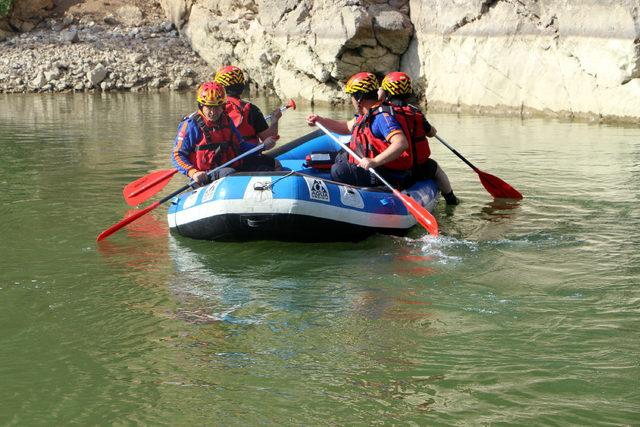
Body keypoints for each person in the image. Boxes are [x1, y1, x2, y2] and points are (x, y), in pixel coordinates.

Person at [306, 72, 413, 187]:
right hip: (375, 167)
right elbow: (347, 127)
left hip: (384, 173)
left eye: (352, 96)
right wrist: (320, 120)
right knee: (341, 155)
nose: (351, 100)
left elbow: (401, 143)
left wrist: (374, 161)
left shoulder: (381, 117)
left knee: (339, 170)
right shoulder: (367, 114)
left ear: (358, 98)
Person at [171, 81, 276, 186]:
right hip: (207, 175)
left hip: (232, 166)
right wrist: (193, 173)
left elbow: (241, 145)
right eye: (209, 107)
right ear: (201, 106)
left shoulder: (226, 120)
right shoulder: (190, 125)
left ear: (223, 106)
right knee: (229, 173)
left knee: (269, 162)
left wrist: (262, 146)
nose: (213, 112)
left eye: (217, 107)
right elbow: (177, 155)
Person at [379, 71, 458, 205]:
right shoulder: (415, 112)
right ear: (408, 91)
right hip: (419, 167)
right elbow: (431, 133)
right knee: (436, 169)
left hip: (395, 167)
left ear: (387, 92)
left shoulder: (383, 112)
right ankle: (451, 198)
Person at [214, 65, 281, 170]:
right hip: (248, 158)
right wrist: (275, 120)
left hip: (221, 161)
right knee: (276, 164)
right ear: (241, 86)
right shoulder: (251, 110)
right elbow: (269, 139)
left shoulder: (212, 109)